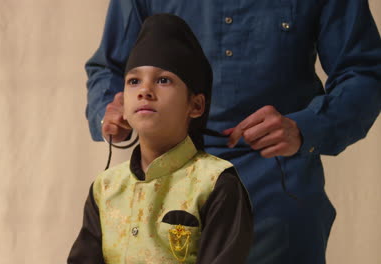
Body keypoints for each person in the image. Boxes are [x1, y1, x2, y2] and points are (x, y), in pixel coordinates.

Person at [84, 1, 381, 263]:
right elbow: (109, 67)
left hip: (276, 184)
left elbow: (365, 72)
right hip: (163, 189)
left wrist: (306, 127)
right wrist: (109, 112)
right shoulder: (109, 191)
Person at [68, 14, 253, 264]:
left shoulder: (216, 184)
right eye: (134, 81)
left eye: (163, 80)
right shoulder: (106, 187)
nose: (145, 91)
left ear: (196, 105)